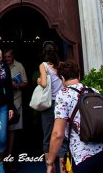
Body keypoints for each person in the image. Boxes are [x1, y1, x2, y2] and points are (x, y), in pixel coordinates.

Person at [46, 61, 103, 173]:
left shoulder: (63, 95)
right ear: (79, 75)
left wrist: (50, 162)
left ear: (62, 78)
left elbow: (57, 134)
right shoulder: (93, 91)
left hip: (84, 157)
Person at [37, 41, 65, 170]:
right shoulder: (61, 65)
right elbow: (65, 83)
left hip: (49, 103)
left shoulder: (43, 66)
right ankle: (63, 166)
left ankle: (50, 167)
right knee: (62, 134)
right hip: (62, 102)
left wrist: (38, 80)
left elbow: (43, 83)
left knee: (48, 134)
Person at [3, 48, 28, 172]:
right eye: (5, 57)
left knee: (12, 131)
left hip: (16, 102)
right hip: (2, 104)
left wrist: (16, 85)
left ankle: (9, 157)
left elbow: (25, 83)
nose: (6, 59)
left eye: (8, 57)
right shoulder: (0, 67)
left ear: (13, 56)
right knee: (2, 131)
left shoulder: (19, 66)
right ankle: (1, 159)